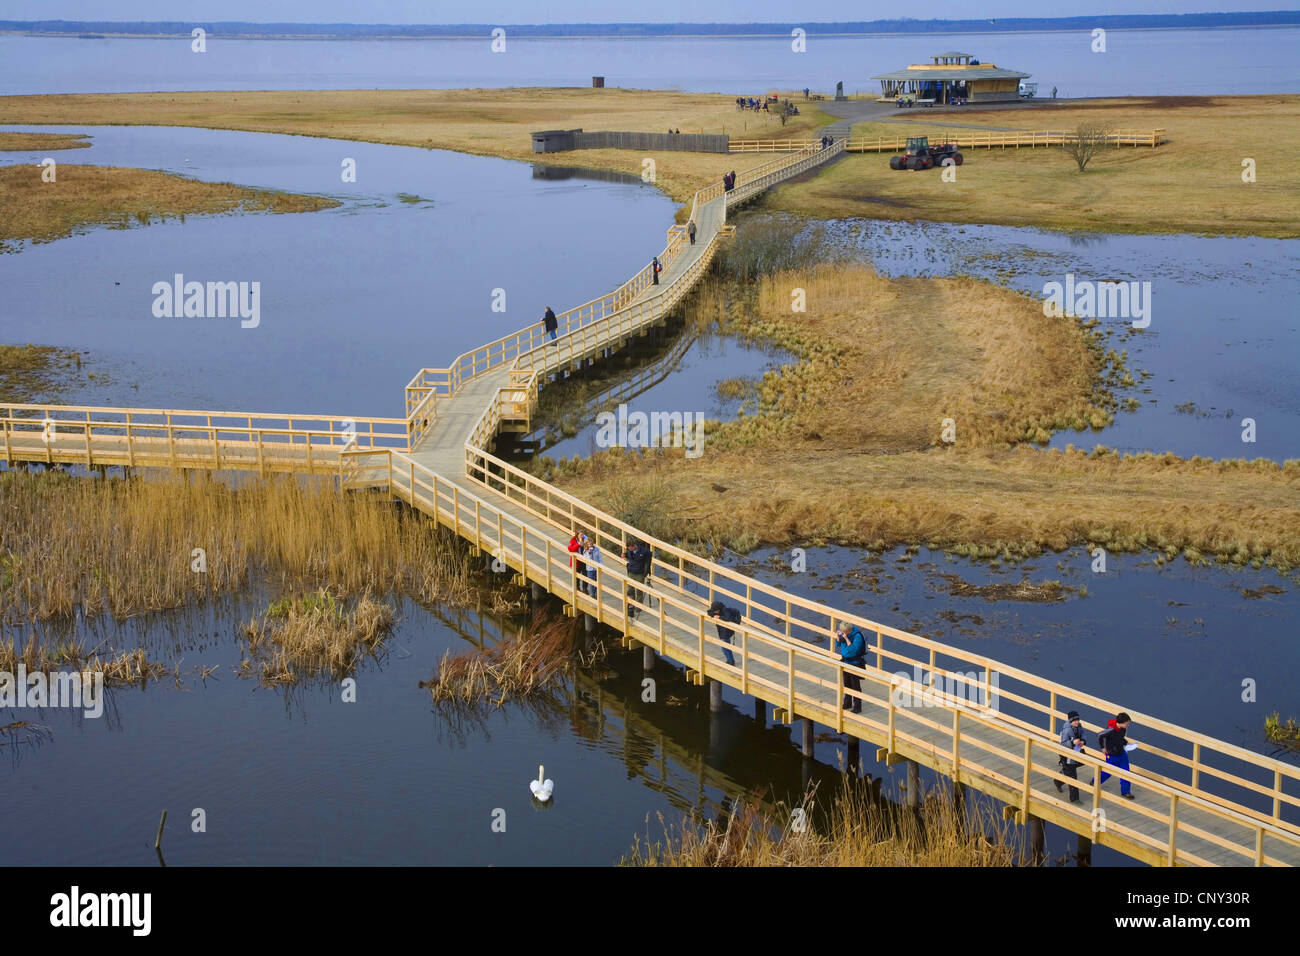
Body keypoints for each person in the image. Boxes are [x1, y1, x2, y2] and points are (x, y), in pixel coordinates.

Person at [1096, 712, 1135, 799]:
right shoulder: (1111, 730)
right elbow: (1099, 736)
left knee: (1126, 772)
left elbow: (1120, 738)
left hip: (1122, 753)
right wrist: (1102, 748)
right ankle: (1094, 783)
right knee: (1107, 772)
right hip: (1112, 755)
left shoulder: (1123, 729)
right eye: (1127, 723)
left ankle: (1125, 792)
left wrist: (1126, 742)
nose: (1128, 725)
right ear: (1121, 722)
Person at [833, 621, 866, 713]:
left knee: (855, 685)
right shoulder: (845, 634)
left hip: (854, 663)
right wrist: (838, 638)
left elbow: (853, 650)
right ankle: (847, 703)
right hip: (845, 661)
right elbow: (838, 644)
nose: (842, 632)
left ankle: (857, 706)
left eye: (844, 631)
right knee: (847, 683)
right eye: (841, 631)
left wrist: (846, 639)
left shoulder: (857, 637)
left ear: (848, 631)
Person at [1054, 710, 1087, 803]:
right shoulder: (1067, 730)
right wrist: (1073, 742)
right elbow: (1063, 744)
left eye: (1078, 720)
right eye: (1075, 721)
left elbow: (1083, 733)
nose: (1077, 722)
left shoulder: (1079, 727)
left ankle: (1058, 779)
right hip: (1066, 755)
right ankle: (1074, 799)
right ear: (1070, 721)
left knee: (1071, 770)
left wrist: (1083, 741)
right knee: (1073, 776)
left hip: (1075, 752)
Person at [707, 600, 742, 666]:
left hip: (727, 628)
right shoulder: (716, 610)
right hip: (722, 628)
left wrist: (719, 617)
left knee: (724, 644)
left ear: (718, 610)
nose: (714, 612)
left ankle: (730, 661)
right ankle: (730, 660)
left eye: (715, 611)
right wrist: (714, 615)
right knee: (724, 644)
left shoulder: (725, 610)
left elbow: (729, 618)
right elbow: (709, 612)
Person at [624, 539, 652, 618]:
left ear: (634, 546)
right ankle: (631, 605)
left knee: (639, 590)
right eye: (628, 549)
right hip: (631, 572)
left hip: (640, 573)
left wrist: (646, 572)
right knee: (630, 590)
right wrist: (624, 554)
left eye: (630, 548)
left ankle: (638, 607)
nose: (629, 550)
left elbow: (648, 560)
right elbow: (628, 554)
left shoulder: (644, 552)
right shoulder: (629, 550)